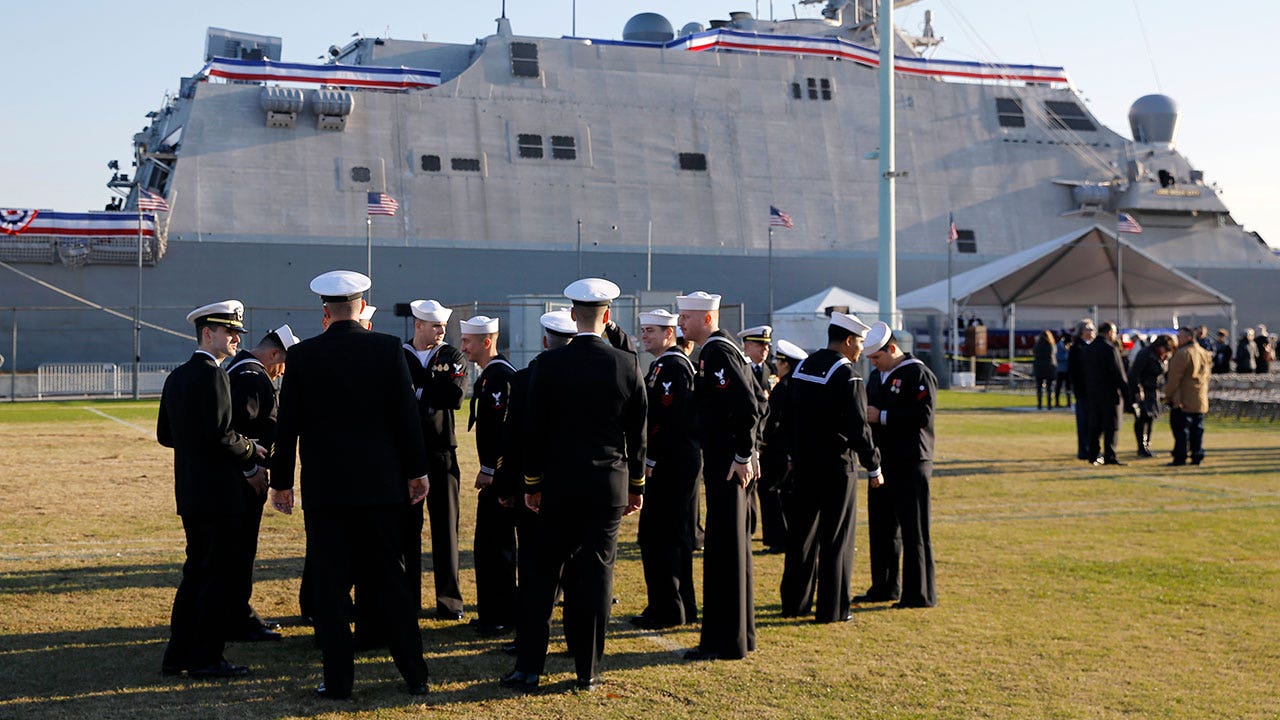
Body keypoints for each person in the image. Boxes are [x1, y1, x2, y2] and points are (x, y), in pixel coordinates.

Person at [269, 270, 430, 700]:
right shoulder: (387, 348)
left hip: (327, 492)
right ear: (361, 308)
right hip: (381, 488)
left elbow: (288, 427)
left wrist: (281, 482)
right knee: (391, 584)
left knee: (331, 589)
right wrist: (417, 471)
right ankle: (415, 674)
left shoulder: (303, 357)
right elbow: (405, 418)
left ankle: (339, 681)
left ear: (325, 312)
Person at [503, 278, 646, 691]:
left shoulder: (548, 366)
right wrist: (636, 485)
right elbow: (637, 435)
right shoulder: (627, 364)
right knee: (597, 575)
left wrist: (532, 484)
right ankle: (589, 669)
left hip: (559, 483)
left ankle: (529, 667)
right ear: (609, 316)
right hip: (607, 484)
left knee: (542, 573)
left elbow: (534, 431)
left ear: (572, 315)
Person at [158, 300, 267, 679]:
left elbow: (165, 435)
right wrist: (251, 448)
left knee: (195, 573)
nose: (237, 338)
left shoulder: (176, 377)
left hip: (190, 491)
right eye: (230, 332)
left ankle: (178, 654)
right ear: (208, 333)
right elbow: (221, 434)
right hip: (219, 494)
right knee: (218, 577)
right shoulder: (214, 375)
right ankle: (206, 658)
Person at [678, 291, 764, 660]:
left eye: (686, 317)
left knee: (725, 554)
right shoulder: (723, 348)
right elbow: (760, 399)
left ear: (706, 319)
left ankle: (724, 642)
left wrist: (744, 453)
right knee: (731, 551)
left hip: (727, 464)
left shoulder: (717, 351)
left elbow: (748, 405)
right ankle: (739, 636)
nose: (681, 324)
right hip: (729, 461)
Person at [780, 312, 882, 622]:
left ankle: (794, 603)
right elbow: (858, 428)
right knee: (837, 538)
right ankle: (833, 608)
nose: (862, 349)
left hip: (803, 464)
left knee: (801, 536)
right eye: (861, 342)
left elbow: (790, 418)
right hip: (837, 467)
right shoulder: (847, 375)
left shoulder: (802, 368)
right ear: (849, 341)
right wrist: (874, 465)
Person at [225, 324, 300, 643]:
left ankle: (239, 613)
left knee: (239, 550)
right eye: (282, 364)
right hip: (243, 480)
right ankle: (237, 618)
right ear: (273, 355)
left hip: (238, 477)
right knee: (240, 550)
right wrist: (251, 468)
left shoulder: (241, 369)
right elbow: (242, 430)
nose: (282, 372)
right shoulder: (253, 377)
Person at [632, 308, 701, 629]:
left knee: (666, 537)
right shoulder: (662, 365)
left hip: (672, 464)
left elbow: (669, 420)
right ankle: (670, 605)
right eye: (644, 330)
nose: (645, 336)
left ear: (669, 334)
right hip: (670, 461)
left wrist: (650, 458)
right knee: (661, 536)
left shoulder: (673, 366)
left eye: (652, 331)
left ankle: (670, 608)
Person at [863, 322, 938, 609]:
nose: (874, 364)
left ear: (892, 349)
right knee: (882, 527)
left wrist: (881, 416)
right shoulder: (876, 377)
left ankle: (919, 593)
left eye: (877, 358)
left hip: (911, 460)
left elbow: (922, 415)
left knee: (914, 529)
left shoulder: (917, 373)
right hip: (883, 461)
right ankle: (883, 586)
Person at [402, 299, 467, 621]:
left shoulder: (450, 355)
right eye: (435, 326)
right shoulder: (399, 355)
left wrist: (416, 392)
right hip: (407, 455)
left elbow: (453, 396)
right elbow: (392, 397)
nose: (441, 332)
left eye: (443, 326)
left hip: (442, 452)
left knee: (446, 529)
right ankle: (408, 600)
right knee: (406, 532)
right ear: (418, 325)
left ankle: (449, 601)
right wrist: (431, 389)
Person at [461, 315, 519, 636]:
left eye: (468, 341)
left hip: (499, 478)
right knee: (487, 546)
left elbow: (502, 431)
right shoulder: (489, 376)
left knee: (495, 547)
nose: (463, 347)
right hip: (496, 475)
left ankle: (500, 615)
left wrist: (490, 470)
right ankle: (492, 612)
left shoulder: (499, 376)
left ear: (486, 342)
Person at [757, 339, 807, 555]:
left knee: (772, 493)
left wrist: (762, 440)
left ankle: (779, 538)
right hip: (787, 449)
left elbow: (774, 421)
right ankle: (783, 537)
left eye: (779, 361)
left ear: (786, 364)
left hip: (776, 449)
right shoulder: (795, 386)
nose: (776, 364)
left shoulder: (782, 388)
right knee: (782, 494)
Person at [1164, 326, 1212, 466]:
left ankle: (1180, 457)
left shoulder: (1182, 353)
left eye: (1180, 337)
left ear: (1189, 337)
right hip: (1200, 397)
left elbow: (1174, 378)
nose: (1177, 340)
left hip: (1183, 399)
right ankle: (1197, 456)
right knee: (1197, 429)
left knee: (1181, 431)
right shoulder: (1204, 353)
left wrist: (1168, 395)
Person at [1085, 322, 1130, 466]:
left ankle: (1093, 455)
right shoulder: (1110, 349)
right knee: (1111, 426)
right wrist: (1126, 393)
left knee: (1095, 426)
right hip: (1109, 393)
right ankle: (1110, 455)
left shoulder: (1089, 348)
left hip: (1092, 393)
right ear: (1110, 332)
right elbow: (1118, 373)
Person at [1127, 334, 1173, 458]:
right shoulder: (1146, 354)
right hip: (1143, 390)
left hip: (1153, 390)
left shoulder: (1161, 356)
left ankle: (1146, 445)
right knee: (1142, 419)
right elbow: (1134, 373)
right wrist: (1138, 390)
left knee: (1150, 418)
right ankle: (1141, 447)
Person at [1068, 320, 1095, 460]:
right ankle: (1083, 450)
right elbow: (1073, 371)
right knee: (1083, 422)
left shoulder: (1095, 347)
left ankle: (1092, 448)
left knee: (1093, 422)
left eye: (1092, 329)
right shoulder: (1076, 348)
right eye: (1087, 329)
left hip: (1094, 391)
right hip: (1083, 391)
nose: (1090, 332)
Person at [1032, 330, 1056, 410]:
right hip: (1049, 367)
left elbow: (1034, 354)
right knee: (1049, 387)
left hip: (1039, 367)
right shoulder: (1050, 345)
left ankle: (1039, 404)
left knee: (1039, 387)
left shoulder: (1037, 345)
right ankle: (1049, 404)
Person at [1054, 334, 1073, 408]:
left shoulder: (1068, 345)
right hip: (1060, 370)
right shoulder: (1059, 346)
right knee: (1058, 387)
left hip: (1068, 370)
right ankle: (1057, 402)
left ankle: (1069, 402)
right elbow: (1058, 357)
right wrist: (1067, 356)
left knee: (1068, 387)